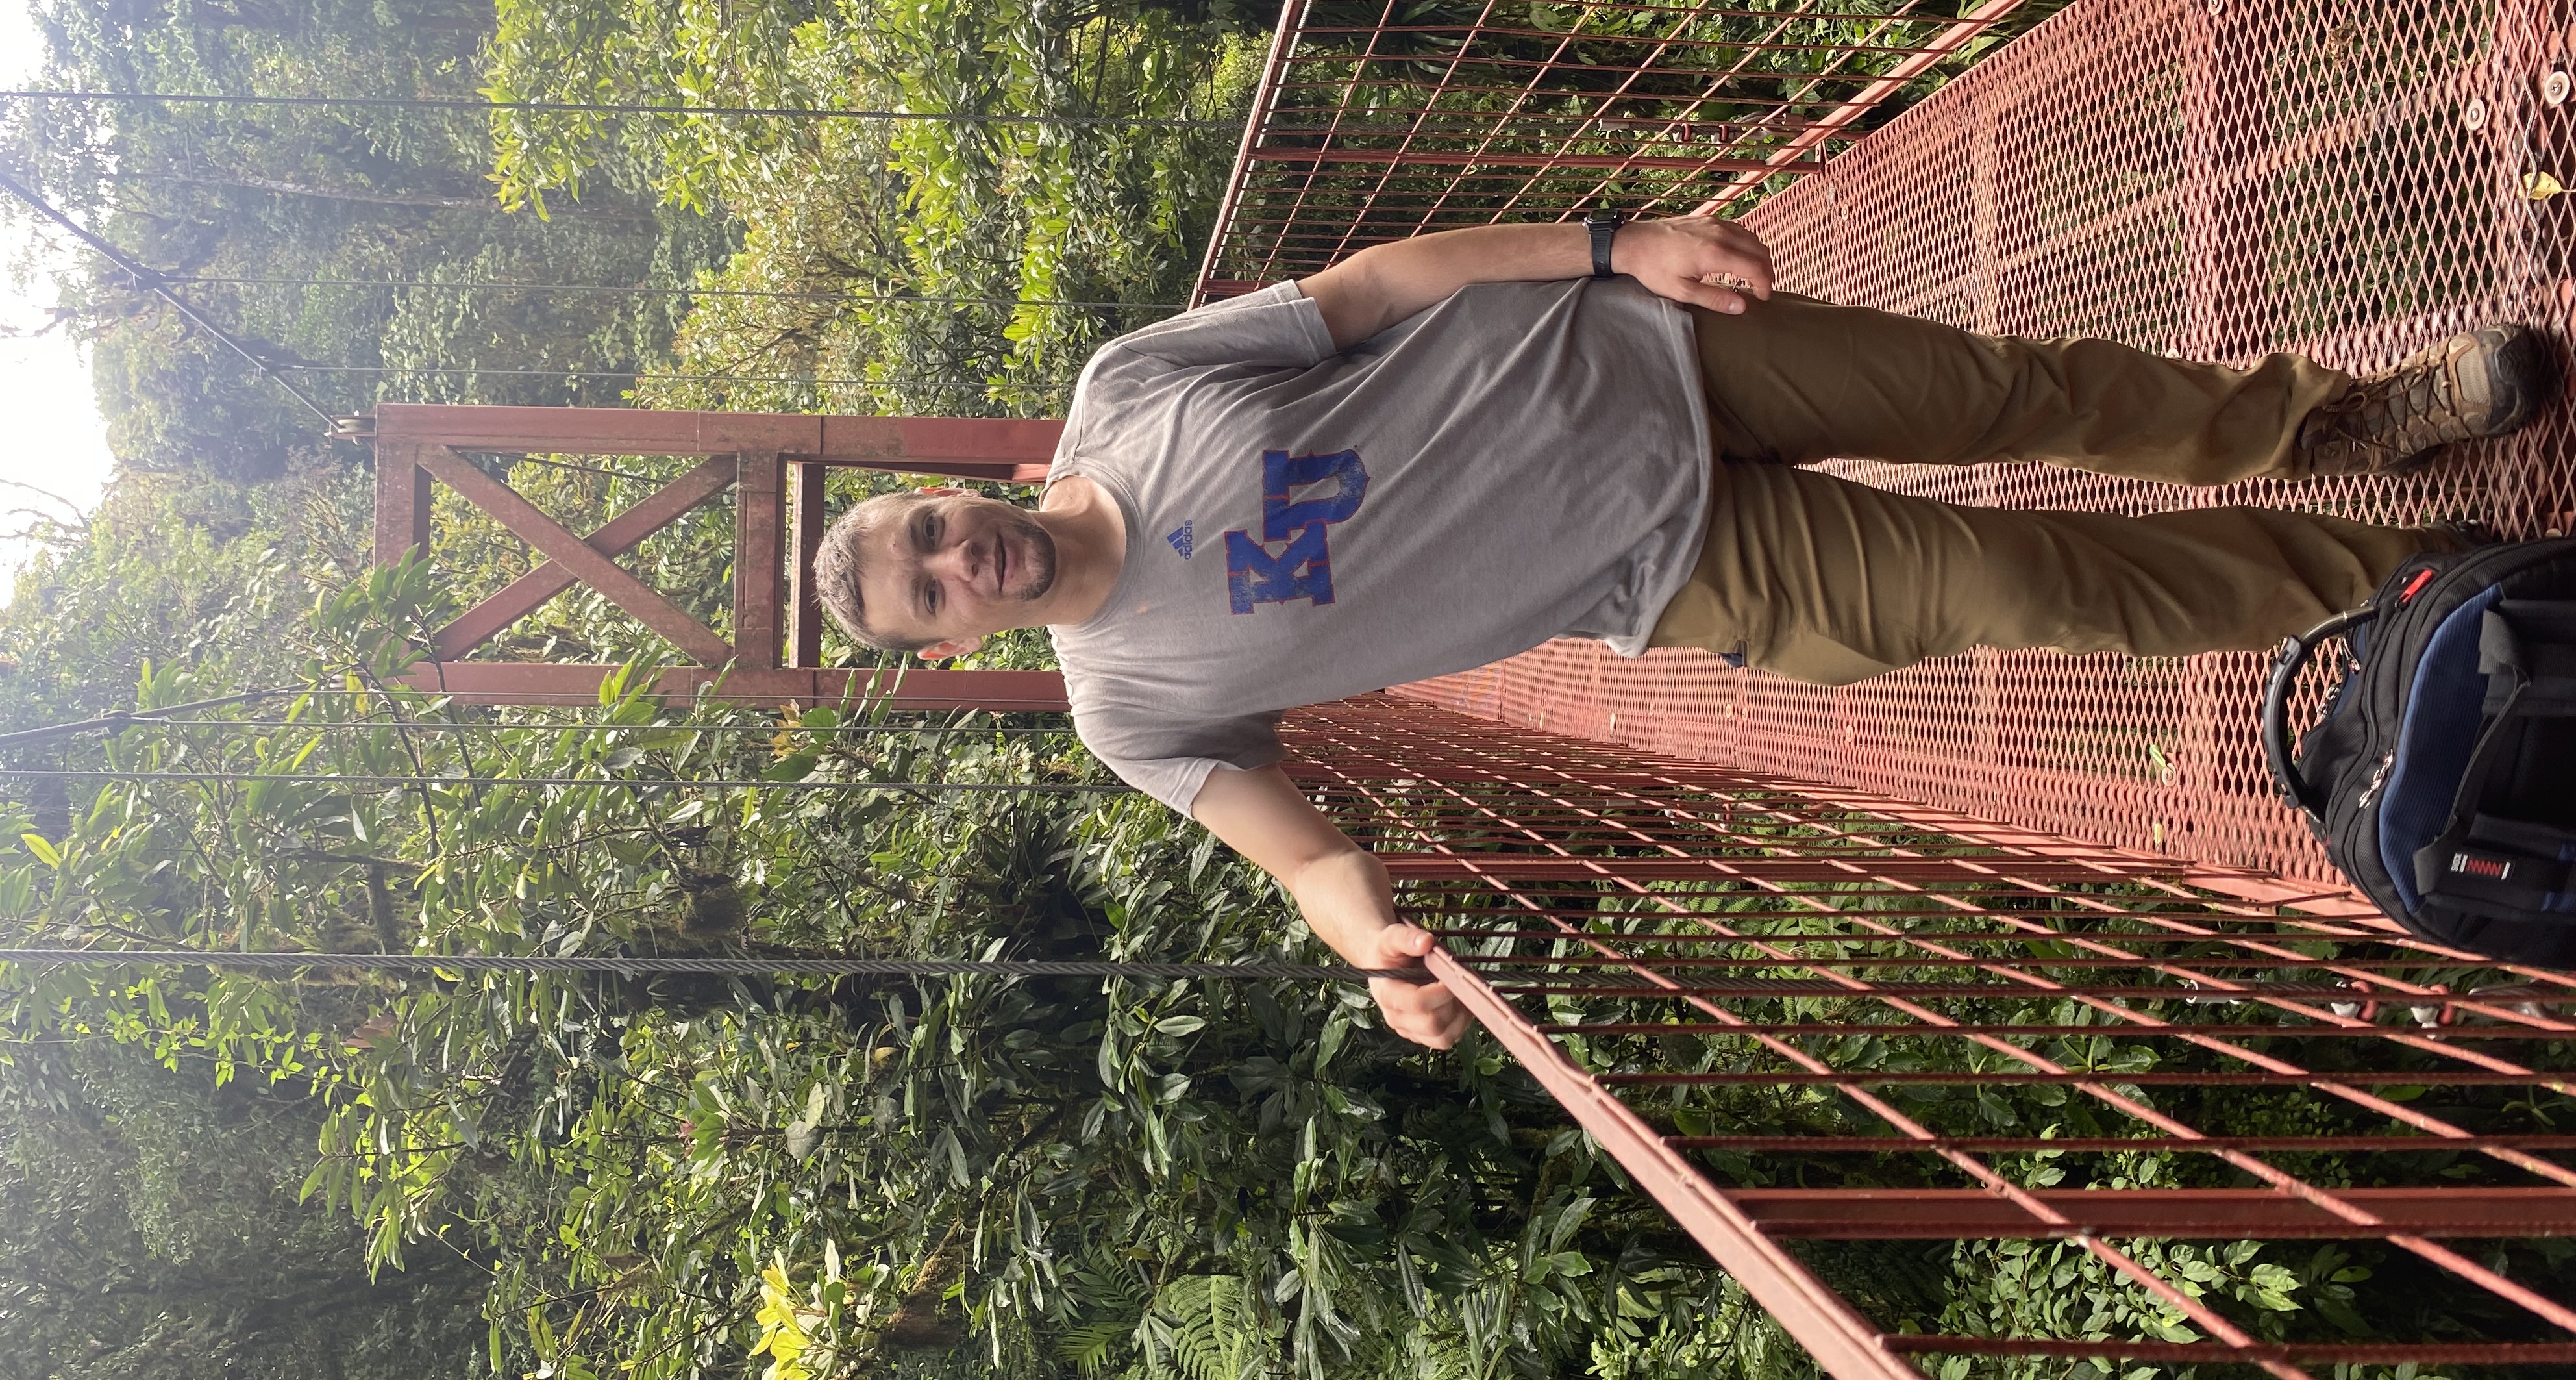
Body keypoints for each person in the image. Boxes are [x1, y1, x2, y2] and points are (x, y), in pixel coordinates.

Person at [816, 211, 2553, 1049]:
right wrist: (1373, 952)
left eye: (926, 529)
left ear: (943, 493)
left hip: (1642, 354)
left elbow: (1371, 289)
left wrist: (1610, 245)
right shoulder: (1127, 708)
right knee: (2036, 588)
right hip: (1679, 565)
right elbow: (1305, 852)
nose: (959, 560)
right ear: (949, 649)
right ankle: (2405, 579)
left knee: (2013, 391)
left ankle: (2341, 422)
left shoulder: (1124, 389)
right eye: (928, 595)